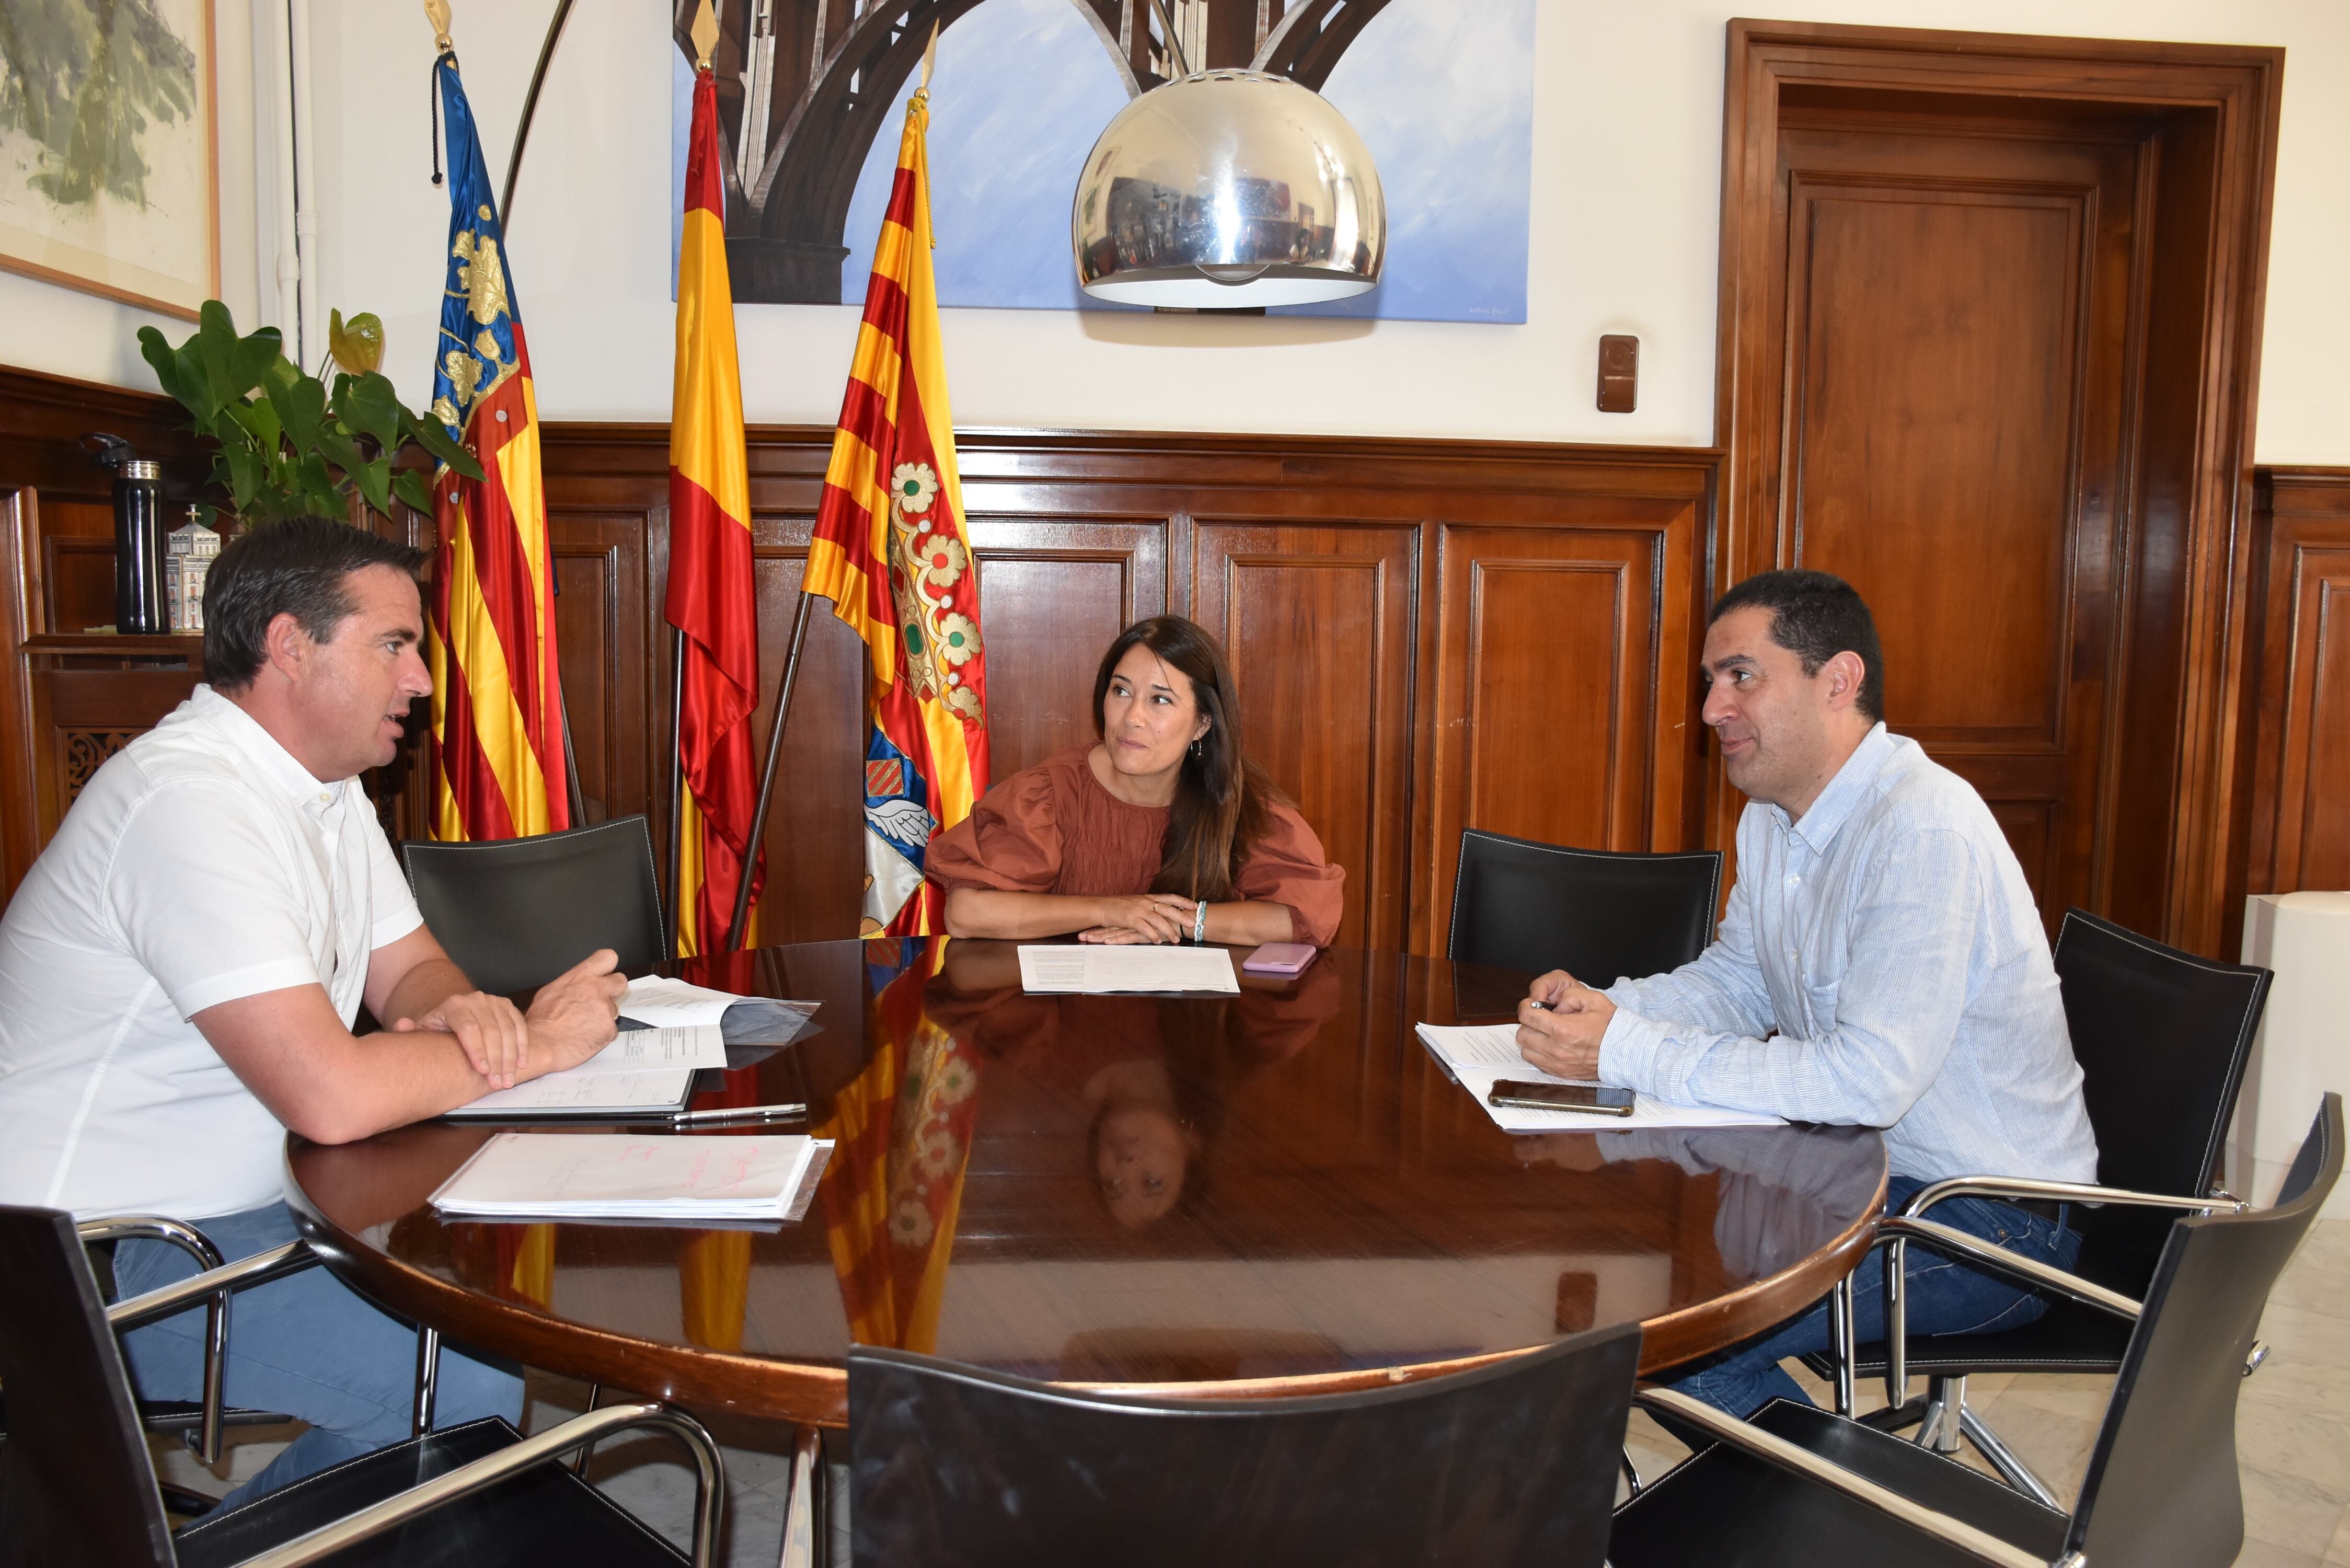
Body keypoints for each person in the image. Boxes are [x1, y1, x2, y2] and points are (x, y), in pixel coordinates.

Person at [0, 517, 628, 1505]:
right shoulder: (187, 805)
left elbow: (410, 971)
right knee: (462, 1393)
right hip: (94, 1257)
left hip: (249, 1199)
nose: (421, 680)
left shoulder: (321, 791)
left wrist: (474, 1017)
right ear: (289, 645)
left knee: (477, 1326)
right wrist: (540, 1044)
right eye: (394, 645)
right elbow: (330, 1097)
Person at [1511, 569, 2099, 1419]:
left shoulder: (1923, 826)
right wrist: (1607, 1012)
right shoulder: (1773, 815)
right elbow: (1740, 982)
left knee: (1675, 1335)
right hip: (1854, 1177)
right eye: (1711, 681)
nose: (1712, 709)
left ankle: (1846, 1499)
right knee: (1633, 1270)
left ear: (1838, 681)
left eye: (1741, 676)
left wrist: (1627, 1050)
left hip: (1986, 1224)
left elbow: (1870, 1080)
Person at [928, 615, 1344, 948]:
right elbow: (966, 913)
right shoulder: (1050, 794)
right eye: (1121, 692)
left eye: (1160, 700)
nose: (1132, 718)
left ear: (1202, 724)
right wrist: (1110, 910)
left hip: (1187, 1020)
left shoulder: (1235, 798)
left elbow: (1307, 915)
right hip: (1066, 1014)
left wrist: (1169, 921)